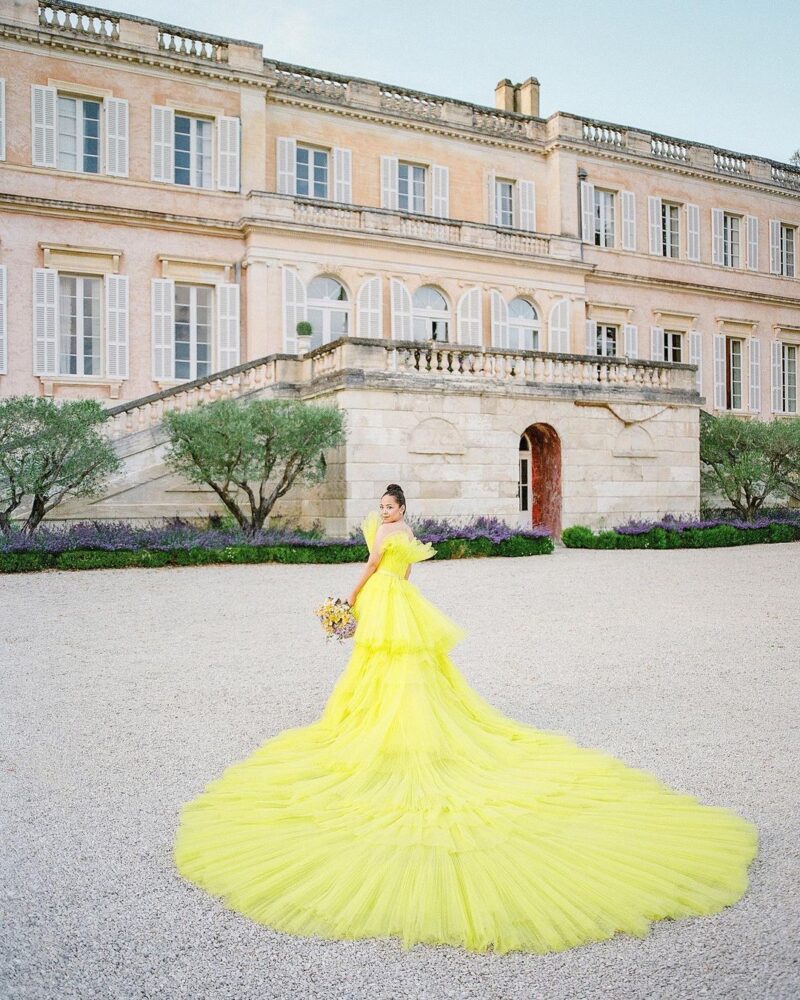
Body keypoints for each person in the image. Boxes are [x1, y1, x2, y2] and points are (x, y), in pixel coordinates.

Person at [173, 483, 758, 954]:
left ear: (402, 509)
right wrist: (386, 586)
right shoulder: (406, 532)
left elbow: (375, 566)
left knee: (380, 663)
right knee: (406, 664)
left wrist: (349, 599)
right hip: (403, 601)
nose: (384, 512)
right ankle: (394, 718)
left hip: (381, 598)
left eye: (390, 506)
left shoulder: (384, 535)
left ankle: (383, 727)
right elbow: (410, 572)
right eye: (381, 505)